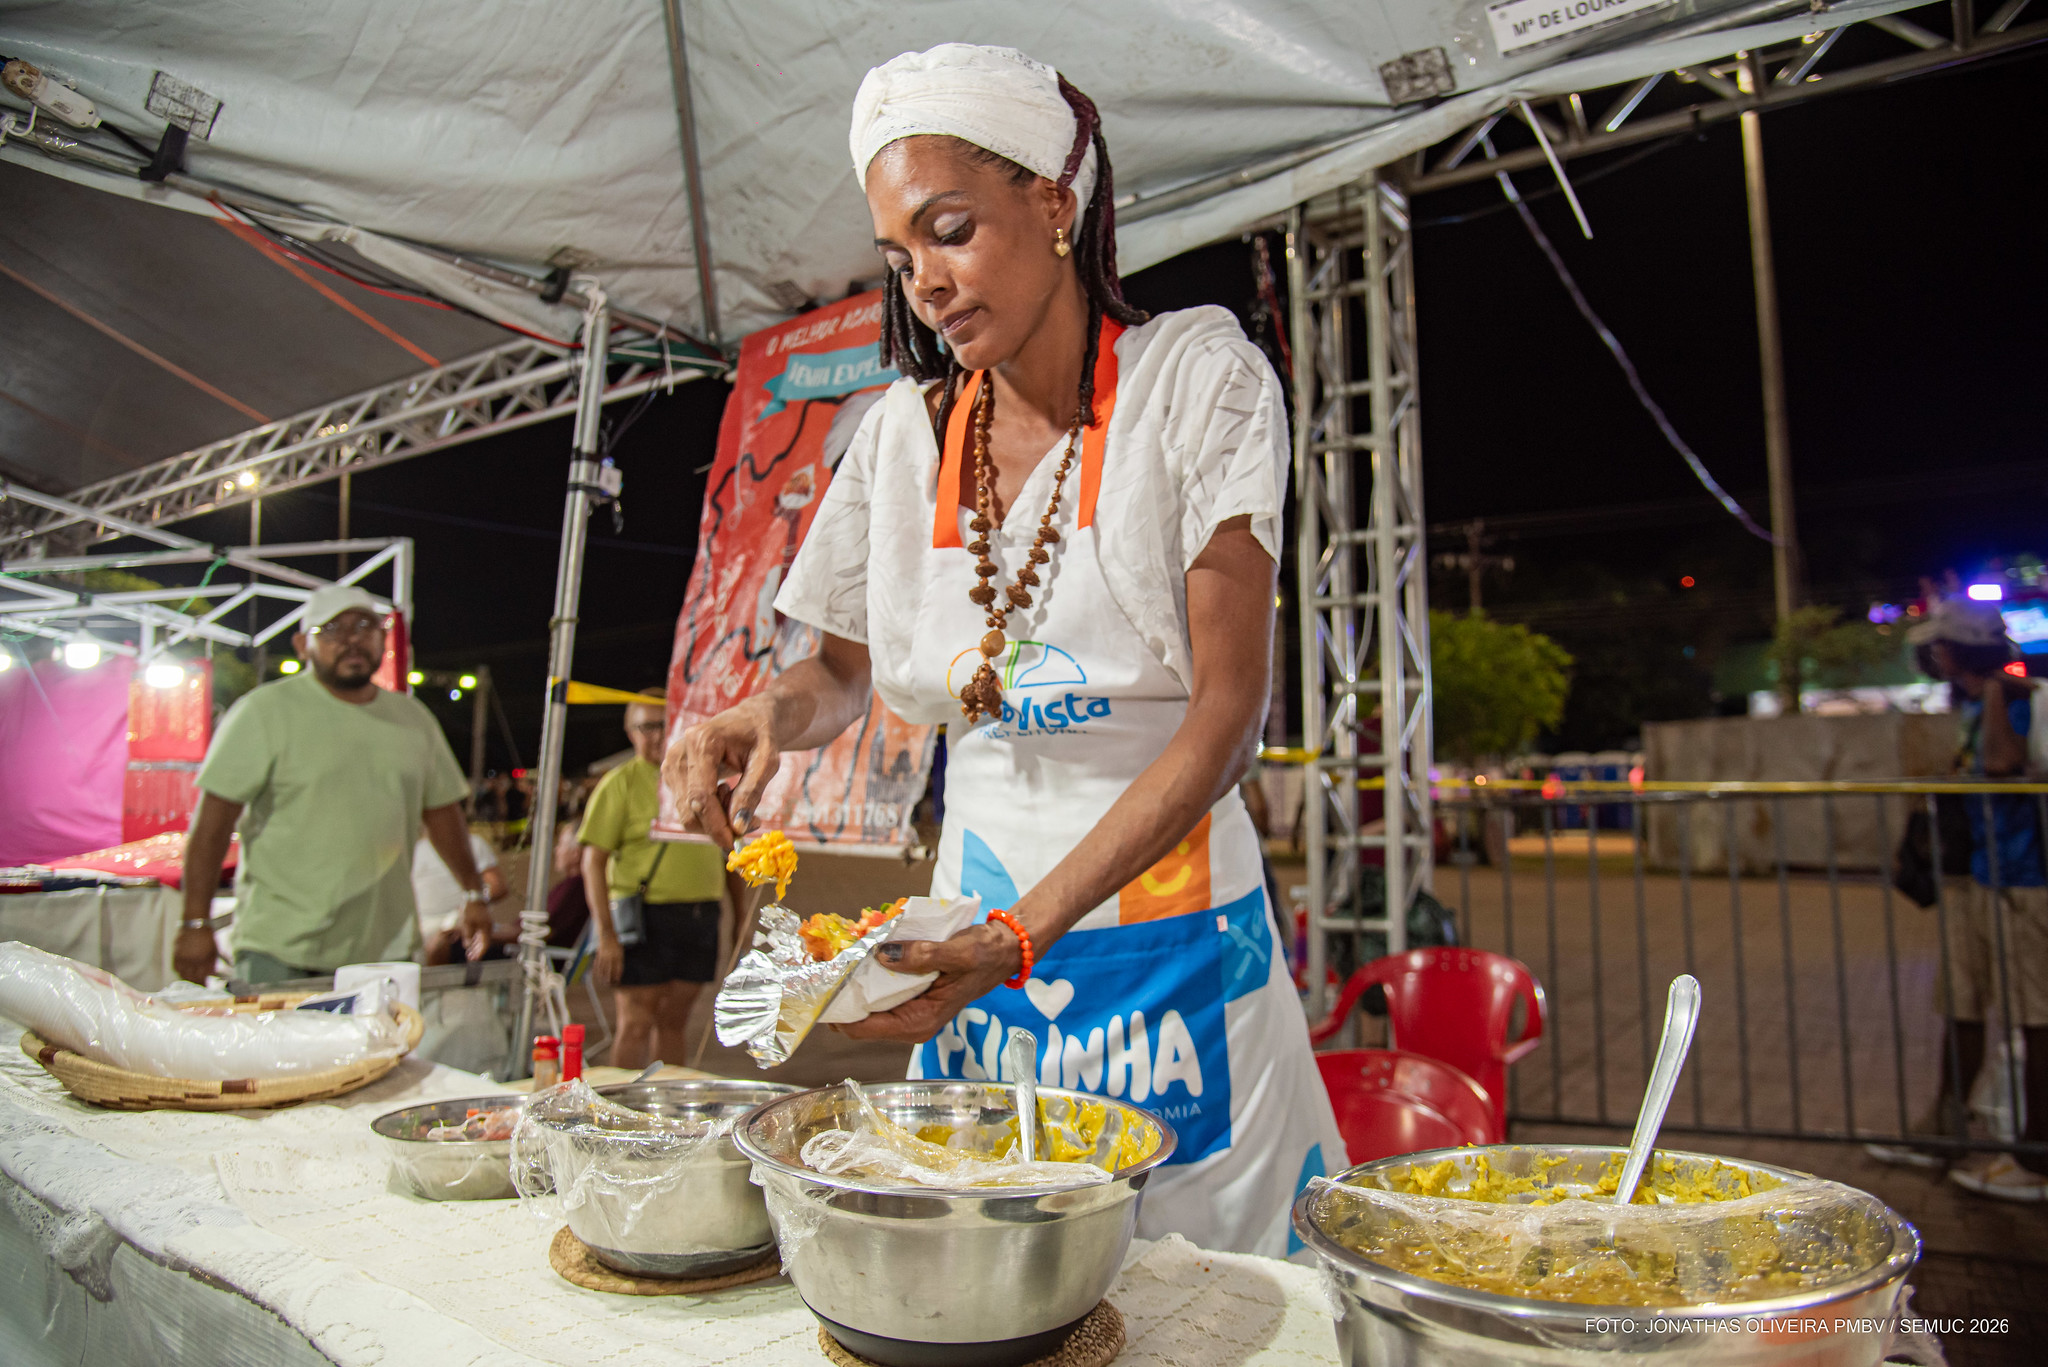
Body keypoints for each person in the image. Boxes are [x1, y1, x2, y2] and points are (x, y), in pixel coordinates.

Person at [668, 44, 1341, 1258]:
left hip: (1166, 928)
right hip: (968, 940)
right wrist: (765, 716)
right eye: (896, 255)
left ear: (1053, 202)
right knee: (1009, 1257)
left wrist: (1021, 936)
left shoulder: (1197, 381)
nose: (922, 280)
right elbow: (837, 675)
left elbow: (1225, 720)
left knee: (1206, 1274)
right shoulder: (895, 439)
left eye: (949, 229)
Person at [177, 585, 486, 984]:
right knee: (281, 1048)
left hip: (383, 952)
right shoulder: (263, 712)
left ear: (382, 638)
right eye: (333, 630)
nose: (352, 639)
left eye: (364, 626)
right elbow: (211, 826)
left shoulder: (414, 720)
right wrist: (194, 922)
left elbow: (443, 813)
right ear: (303, 645)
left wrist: (474, 893)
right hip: (279, 949)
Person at [1874, 594, 2048, 1201]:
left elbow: (2003, 762)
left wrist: (2000, 690)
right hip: (1977, 876)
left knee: (2036, 1016)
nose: (1934, 655)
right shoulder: (1969, 702)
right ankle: (1946, 1133)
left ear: (1957, 648)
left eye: (1940, 645)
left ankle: (2035, 1155)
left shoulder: (2017, 698)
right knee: (1964, 1003)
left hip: (2025, 879)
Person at [579, 689, 730, 1068]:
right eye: (647, 727)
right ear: (630, 732)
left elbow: (729, 855)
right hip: (642, 917)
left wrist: (738, 916)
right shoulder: (619, 784)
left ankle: (669, 1116)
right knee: (635, 1023)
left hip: (699, 916)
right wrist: (607, 936)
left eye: (665, 725)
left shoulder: (705, 782)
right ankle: (619, 1116)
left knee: (674, 1022)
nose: (658, 735)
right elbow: (592, 863)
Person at [413, 828, 512, 965]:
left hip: (460, 922)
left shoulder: (473, 843)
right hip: (422, 926)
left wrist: (473, 903)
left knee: (439, 943)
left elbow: (498, 887)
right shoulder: (413, 849)